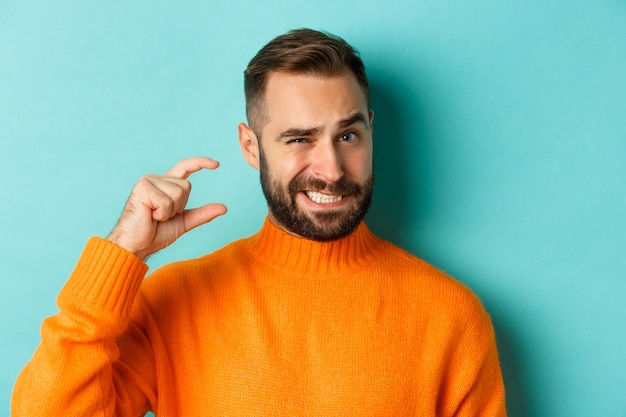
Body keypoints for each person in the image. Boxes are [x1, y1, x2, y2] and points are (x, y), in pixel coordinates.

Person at [12, 29, 507, 416]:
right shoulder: (172, 304)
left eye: (349, 136)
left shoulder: (450, 316)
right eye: (298, 140)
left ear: (371, 130)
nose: (331, 169)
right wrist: (121, 254)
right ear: (251, 146)